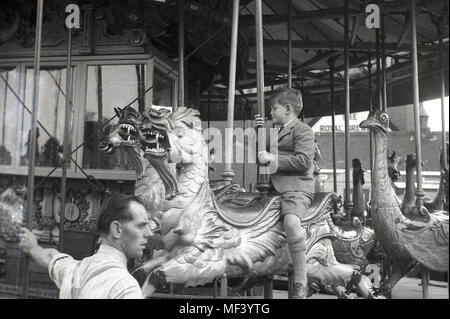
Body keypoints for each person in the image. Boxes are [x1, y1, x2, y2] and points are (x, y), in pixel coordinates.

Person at [19, 193, 151, 299]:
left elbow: (51, 258)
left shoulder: (74, 270)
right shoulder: (125, 287)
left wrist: (33, 248)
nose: (149, 233)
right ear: (117, 229)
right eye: (141, 226)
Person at [255, 87, 315, 299]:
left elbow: (304, 161)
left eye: (274, 108)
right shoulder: (275, 132)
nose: (271, 112)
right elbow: (262, 160)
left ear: (288, 108)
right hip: (273, 189)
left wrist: (273, 159)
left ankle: (301, 280)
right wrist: (259, 135)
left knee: (291, 222)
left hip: (296, 188)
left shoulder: (303, 130)